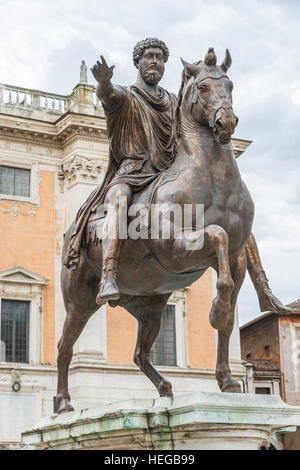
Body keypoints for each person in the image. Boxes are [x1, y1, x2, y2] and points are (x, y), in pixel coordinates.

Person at [64, 37, 290, 314]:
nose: (155, 61)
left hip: (166, 172)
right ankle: (109, 274)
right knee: (119, 200)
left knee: (233, 216)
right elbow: (109, 98)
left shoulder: (172, 100)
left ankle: (263, 288)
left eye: (160, 57)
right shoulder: (127, 95)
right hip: (132, 172)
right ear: (138, 61)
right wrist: (104, 84)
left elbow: (189, 131)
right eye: (149, 56)